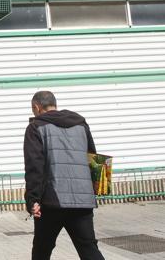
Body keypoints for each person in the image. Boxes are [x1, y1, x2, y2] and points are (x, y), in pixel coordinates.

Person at [24, 90, 105, 260]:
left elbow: (34, 167)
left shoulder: (35, 127)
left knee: (41, 251)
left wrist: (33, 200)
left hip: (52, 201)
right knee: (88, 249)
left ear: (36, 107)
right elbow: (93, 158)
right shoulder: (81, 124)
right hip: (82, 200)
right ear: (54, 104)